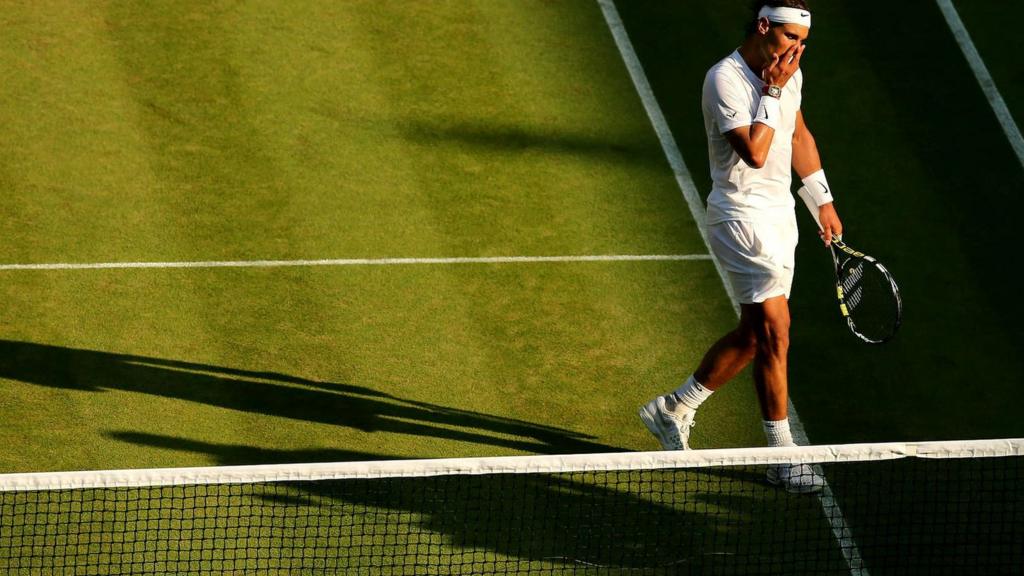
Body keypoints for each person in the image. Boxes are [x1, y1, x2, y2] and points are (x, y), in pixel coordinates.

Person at [638, 0, 842, 494]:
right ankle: (781, 454)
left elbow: (796, 134)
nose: (797, 49)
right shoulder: (724, 79)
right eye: (791, 37)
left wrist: (822, 199)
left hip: (780, 217)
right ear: (764, 26)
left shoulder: (789, 73)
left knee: (754, 336)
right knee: (777, 330)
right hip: (740, 215)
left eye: (804, 42)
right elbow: (752, 152)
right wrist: (772, 87)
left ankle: (674, 408)